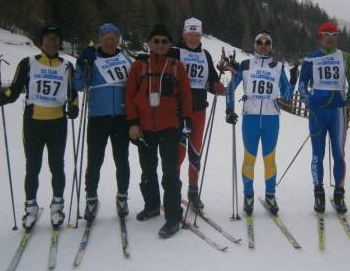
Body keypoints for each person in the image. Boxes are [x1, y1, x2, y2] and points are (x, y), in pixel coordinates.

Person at [0, 25, 78, 229]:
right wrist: (3, 97)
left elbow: (72, 93)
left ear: (59, 43)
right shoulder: (28, 63)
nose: (52, 42)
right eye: (48, 39)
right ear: (42, 42)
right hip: (33, 123)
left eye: (55, 39)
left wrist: (74, 107)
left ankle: (57, 206)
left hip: (57, 123)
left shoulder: (66, 65)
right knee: (33, 166)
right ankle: (30, 208)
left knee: (57, 166)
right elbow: (14, 90)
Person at [125, 24, 193, 238]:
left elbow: (186, 96)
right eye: (156, 41)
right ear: (149, 43)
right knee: (147, 169)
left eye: (165, 41)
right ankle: (152, 205)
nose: (161, 45)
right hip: (145, 128)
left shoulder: (176, 66)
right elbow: (129, 95)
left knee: (170, 173)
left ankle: (173, 217)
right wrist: (133, 123)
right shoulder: (139, 66)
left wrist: (186, 121)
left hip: (169, 127)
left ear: (170, 44)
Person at [225, 30, 297, 215]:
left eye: (267, 42)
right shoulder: (246, 65)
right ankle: (248, 195)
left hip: (271, 119)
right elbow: (231, 87)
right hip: (250, 117)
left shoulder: (278, 67)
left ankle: (270, 196)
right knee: (249, 159)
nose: (263, 45)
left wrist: (294, 80)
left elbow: (287, 95)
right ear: (254, 45)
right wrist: (229, 109)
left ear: (271, 46)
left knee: (269, 159)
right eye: (259, 42)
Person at [73, 23, 134, 222]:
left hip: (121, 118)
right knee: (95, 161)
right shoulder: (93, 59)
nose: (110, 42)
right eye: (106, 38)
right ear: (100, 39)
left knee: (122, 160)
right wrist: (82, 63)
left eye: (113, 38)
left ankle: (122, 197)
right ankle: (91, 198)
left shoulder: (125, 59)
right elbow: (78, 84)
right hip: (98, 118)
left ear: (118, 40)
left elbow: (136, 82)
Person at [297, 21, 350, 214]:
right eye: (326, 34)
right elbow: (302, 84)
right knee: (318, 154)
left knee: (339, 154)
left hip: (337, 113)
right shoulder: (311, 57)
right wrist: (309, 102)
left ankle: (339, 194)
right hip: (317, 113)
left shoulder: (345, 57)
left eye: (333, 34)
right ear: (320, 36)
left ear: (337, 36)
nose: (330, 38)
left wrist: (346, 100)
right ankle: (319, 192)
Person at [169, 17, 226, 210]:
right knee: (178, 153)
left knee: (195, 153)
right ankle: (173, 192)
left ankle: (193, 191)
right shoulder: (175, 52)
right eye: (190, 34)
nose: (193, 38)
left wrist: (216, 86)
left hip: (199, 111)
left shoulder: (205, 55)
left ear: (201, 35)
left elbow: (210, 81)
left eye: (196, 35)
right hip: (178, 111)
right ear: (183, 34)